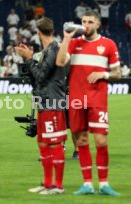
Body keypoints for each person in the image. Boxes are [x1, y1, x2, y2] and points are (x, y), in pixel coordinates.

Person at [56, 10, 121, 196]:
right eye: (83, 21)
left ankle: (104, 184)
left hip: (98, 100)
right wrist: (66, 38)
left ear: (98, 24)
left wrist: (103, 74)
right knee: (82, 140)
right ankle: (87, 184)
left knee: (100, 141)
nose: (86, 25)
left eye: (90, 22)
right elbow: (60, 62)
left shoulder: (108, 44)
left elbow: (118, 73)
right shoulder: (74, 43)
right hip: (77, 100)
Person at [15, 17, 67, 195]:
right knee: (43, 143)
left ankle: (58, 186)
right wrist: (28, 59)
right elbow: (36, 76)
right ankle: (47, 183)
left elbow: (41, 76)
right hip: (45, 102)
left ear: (38, 33)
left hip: (53, 102)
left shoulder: (54, 49)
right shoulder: (47, 50)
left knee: (54, 144)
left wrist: (29, 59)